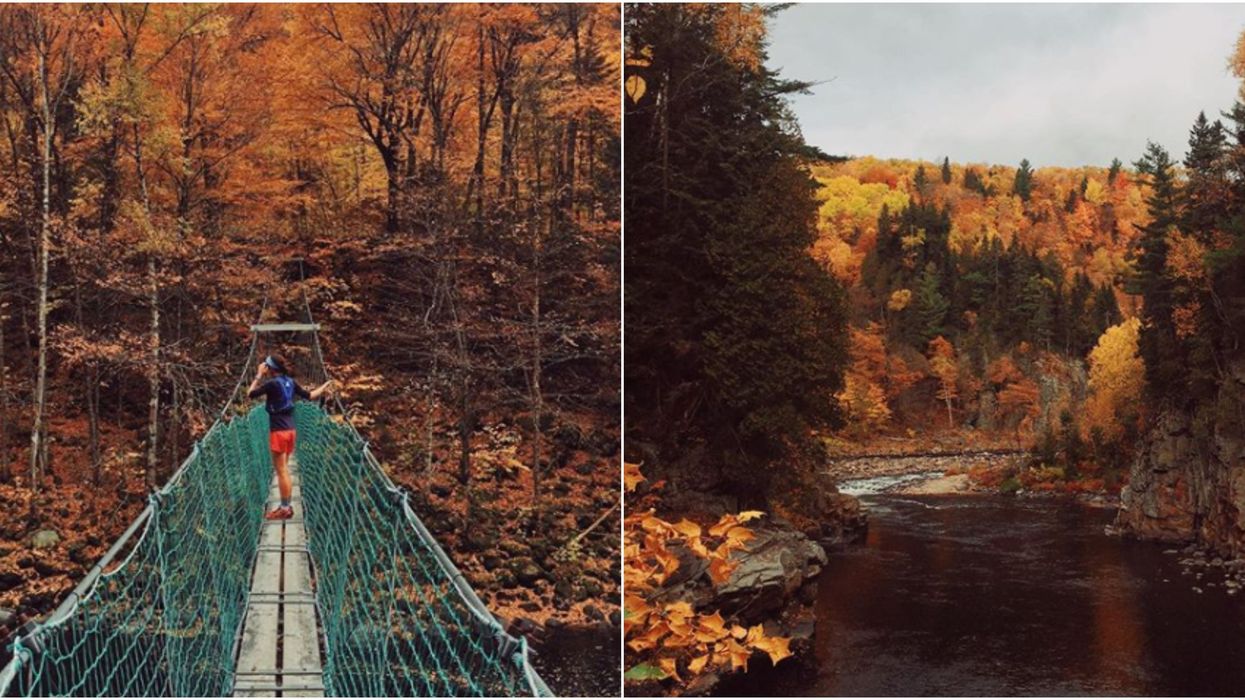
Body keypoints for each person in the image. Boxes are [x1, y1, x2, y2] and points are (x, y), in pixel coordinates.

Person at [247, 353, 332, 520]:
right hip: (291, 431)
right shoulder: (290, 382)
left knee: (282, 471)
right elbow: (310, 396)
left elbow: (250, 394)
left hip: (278, 432)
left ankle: (285, 508)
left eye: (267, 366)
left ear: (270, 369)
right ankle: (285, 506)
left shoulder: (271, 384)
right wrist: (325, 386)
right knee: (284, 470)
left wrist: (258, 375)